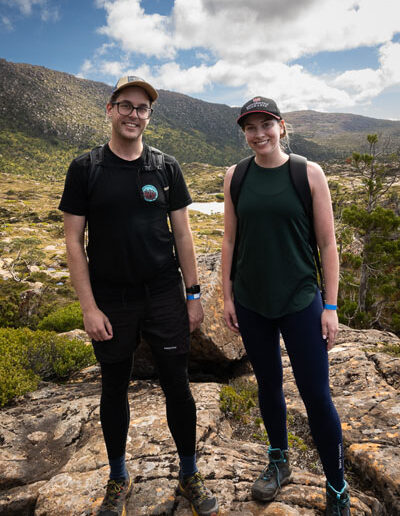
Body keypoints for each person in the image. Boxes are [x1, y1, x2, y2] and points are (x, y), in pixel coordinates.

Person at [59, 76, 219, 516]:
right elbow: (74, 241)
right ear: (110, 109)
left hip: (164, 293)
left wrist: (193, 294)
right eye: (126, 105)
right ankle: (117, 477)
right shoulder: (86, 168)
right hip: (111, 299)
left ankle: (189, 474)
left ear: (149, 115)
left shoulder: (164, 167)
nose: (134, 114)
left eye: (142, 108)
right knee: (113, 388)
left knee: (177, 387)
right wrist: (88, 308)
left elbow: (182, 233)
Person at [222, 97, 351, 515]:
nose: (258, 134)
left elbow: (328, 243)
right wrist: (226, 295)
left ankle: (337, 487)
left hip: (300, 300)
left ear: (281, 126)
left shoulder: (308, 173)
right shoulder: (235, 176)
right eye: (250, 127)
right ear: (244, 132)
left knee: (316, 395)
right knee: (268, 385)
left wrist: (329, 305)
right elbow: (229, 239)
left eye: (266, 125)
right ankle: (279, 461)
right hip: (252, 301)